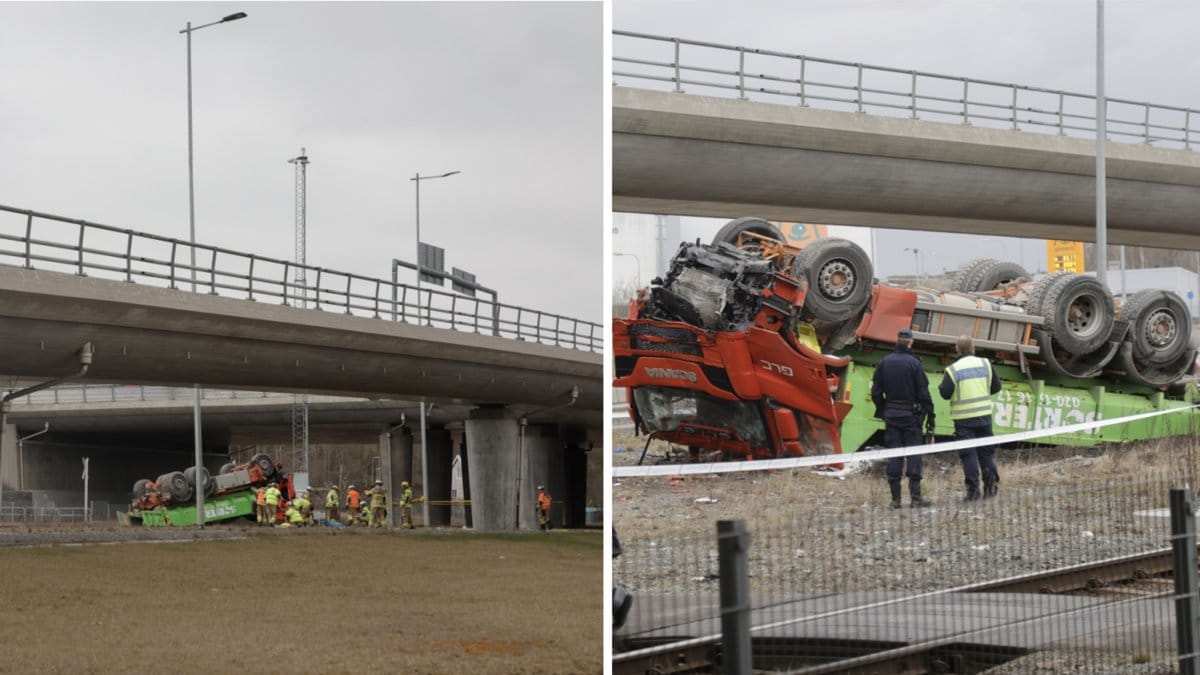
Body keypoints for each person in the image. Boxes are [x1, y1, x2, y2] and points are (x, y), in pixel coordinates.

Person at [871, 327, 935, 509]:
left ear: (896, 341)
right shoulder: (915, 364)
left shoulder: (884, 362)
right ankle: (915, 498)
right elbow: (924, 393)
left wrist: (883, 409)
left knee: (894, 455)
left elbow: (876, 392)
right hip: (911, 417)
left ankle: (895, 500)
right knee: (914, 455)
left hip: (891, 416)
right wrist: (931, 416)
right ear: (910, 342)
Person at [939, 334, 1003, 501]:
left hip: (963, 420)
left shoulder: (953, 370)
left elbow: (944, 393)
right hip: (984, 416)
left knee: (969, 455)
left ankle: (973, 493)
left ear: (957, 349)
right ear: (973, 348)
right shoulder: (986, 364)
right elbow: (996, 387)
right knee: (986, 454)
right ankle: (990, 489)